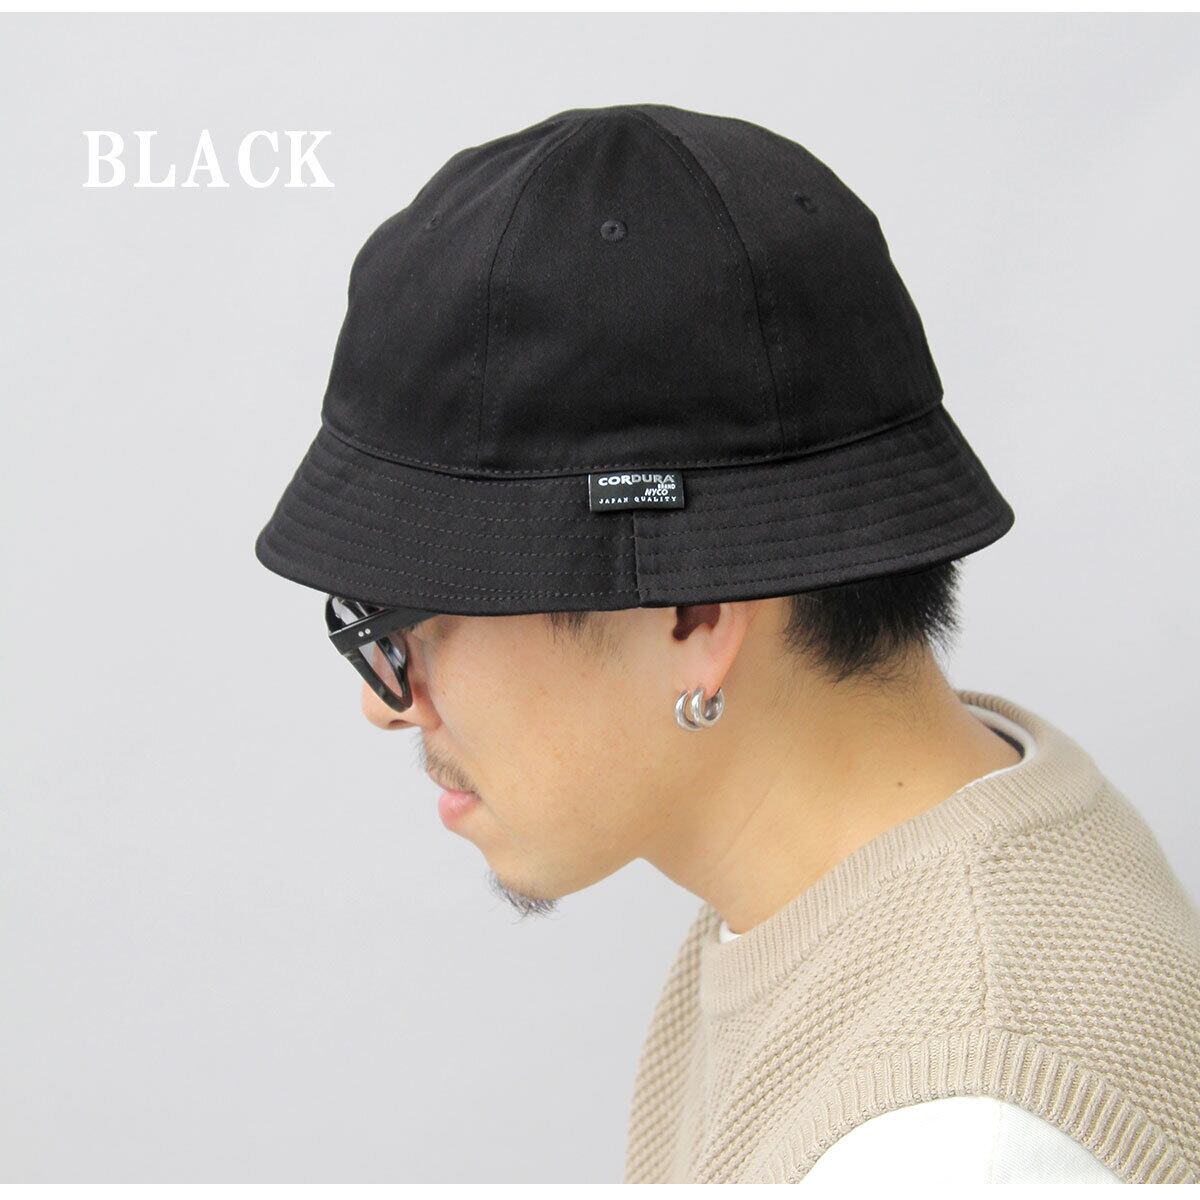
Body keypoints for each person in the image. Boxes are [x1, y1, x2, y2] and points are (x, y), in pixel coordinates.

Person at [253, 103, 1200, 1184]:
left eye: (409, 624)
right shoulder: (877, 884)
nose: (387, 702)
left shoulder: (955, 1139)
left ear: (693, 613)